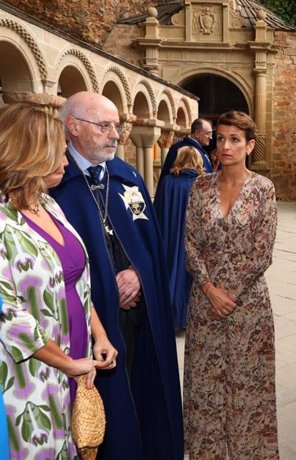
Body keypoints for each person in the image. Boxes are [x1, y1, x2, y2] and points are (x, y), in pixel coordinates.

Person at [50, 92, 184, 460]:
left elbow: (150, 241)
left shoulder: (128, 177)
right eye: (104, 125)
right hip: (93, 321)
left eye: (117, 126)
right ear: (73, 127)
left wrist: (140, 276)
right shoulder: (55, 185)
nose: (115, 135)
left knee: (145, 389)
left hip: (140, 313)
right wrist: (109, 286)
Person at [0, 102, 116, 459]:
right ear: (29, 156)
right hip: (32, 372)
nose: (66, 161)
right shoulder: (3, 224)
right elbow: (8, 316)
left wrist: (100, 334)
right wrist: (67, 364)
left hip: (75, 354)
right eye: (58, 153)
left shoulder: (49, 205)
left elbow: (77, 278)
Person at [184, 110, 278, 458]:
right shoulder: (200, 185)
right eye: (221, 138)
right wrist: (210, 289)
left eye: (235, 139)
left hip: (248, 306)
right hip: (204, 302)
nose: (225, 145)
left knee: (247, 385)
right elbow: (190, 242)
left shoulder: (263, 189)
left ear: (249, 145)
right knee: (205, 386)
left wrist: (231, 294)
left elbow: (262, 251)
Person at [154, 146, 205, 329]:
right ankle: (189, 317)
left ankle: (170, 316)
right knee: (191, 276)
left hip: (170, 233)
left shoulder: (168, 182)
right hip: (194, 237)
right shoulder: (202, 183)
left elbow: (158, 210)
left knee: (171, 272)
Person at [157, 118, 214, 187]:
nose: (211, 137)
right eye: (208, 134)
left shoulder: (198, 150)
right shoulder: (182, 149)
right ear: (197, 133)